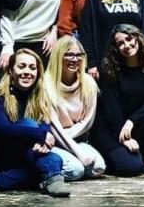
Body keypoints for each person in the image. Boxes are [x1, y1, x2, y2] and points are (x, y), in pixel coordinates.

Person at [0, 48, 70, 197]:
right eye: (21, 66)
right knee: (30, 126)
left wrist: (42, 142)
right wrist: (38, 135)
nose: (27, 72)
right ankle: (52, 177)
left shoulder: (38, 100)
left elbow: (44, 125)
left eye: (32, 68)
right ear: (11, 70)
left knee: (52, 161)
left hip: (8, 161)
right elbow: (2, 129)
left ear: (38, 73)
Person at [91, 25, 144, 175]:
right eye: (120, 43)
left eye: (129, 39)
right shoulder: (111, 69)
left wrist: (131, 121)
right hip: (111, 129)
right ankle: (116, 156)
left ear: (138, 38)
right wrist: (123, 138)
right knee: (130, 168)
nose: (126, 45)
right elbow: (111, 111)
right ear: (116, 48)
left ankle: (142, 154)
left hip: (135, 125)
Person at [44, 36, 105, 180]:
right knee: (75, 170)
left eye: (78, 55)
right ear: (58, 56)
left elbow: (87, 122)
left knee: (98, 167)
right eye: (69, 54)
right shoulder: (46, 84)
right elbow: (53, 126)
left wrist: (72, 144)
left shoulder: (88, 82)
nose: (75, 59)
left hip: (75, 139)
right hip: (53, 142)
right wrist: (79, 153)